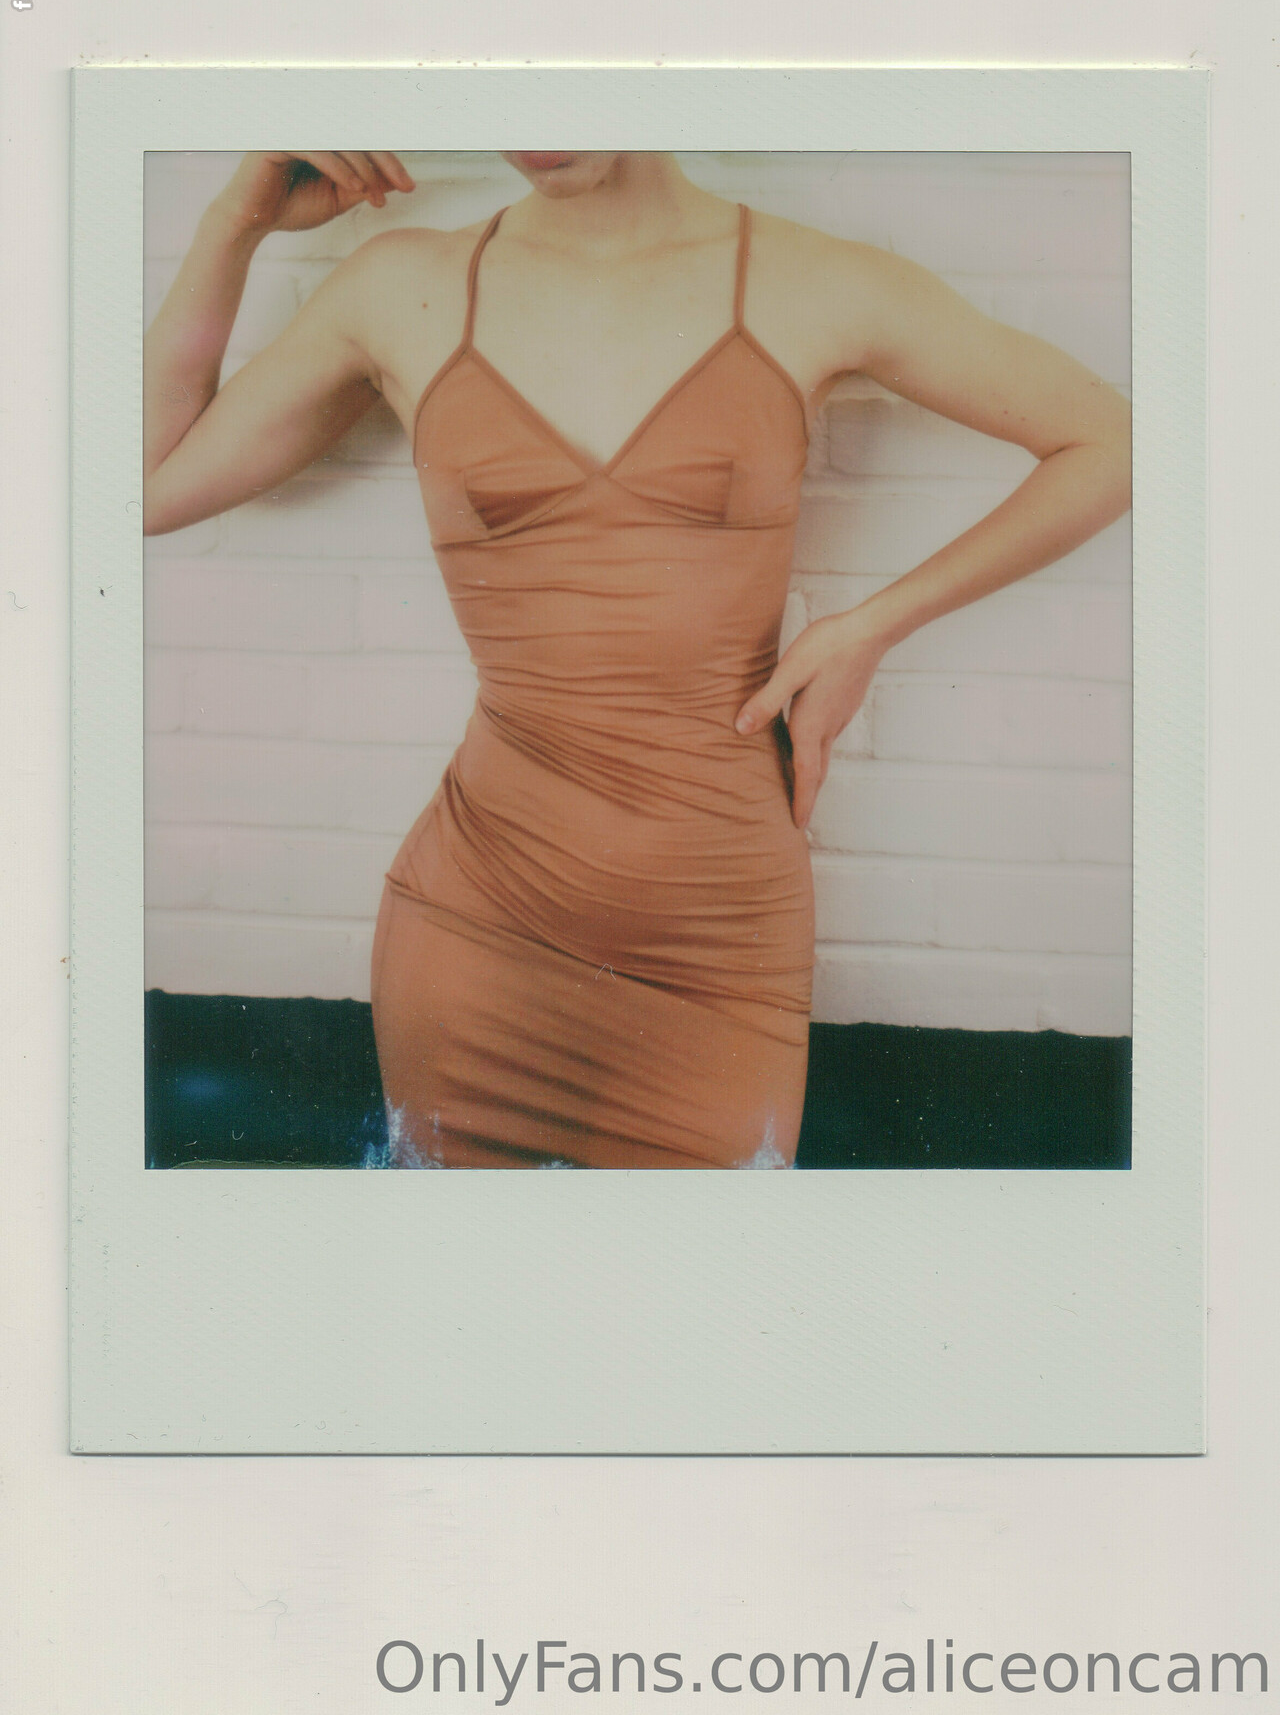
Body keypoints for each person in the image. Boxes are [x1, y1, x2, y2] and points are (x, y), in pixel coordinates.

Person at [144, 149, 1131, 1171]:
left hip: (716, 939)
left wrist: (872, 626)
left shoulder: (811, 280)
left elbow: (1106, 442)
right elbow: (147, 484)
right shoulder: (403, 287)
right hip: (478, 926)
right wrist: (234, 221)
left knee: (705, 1272)